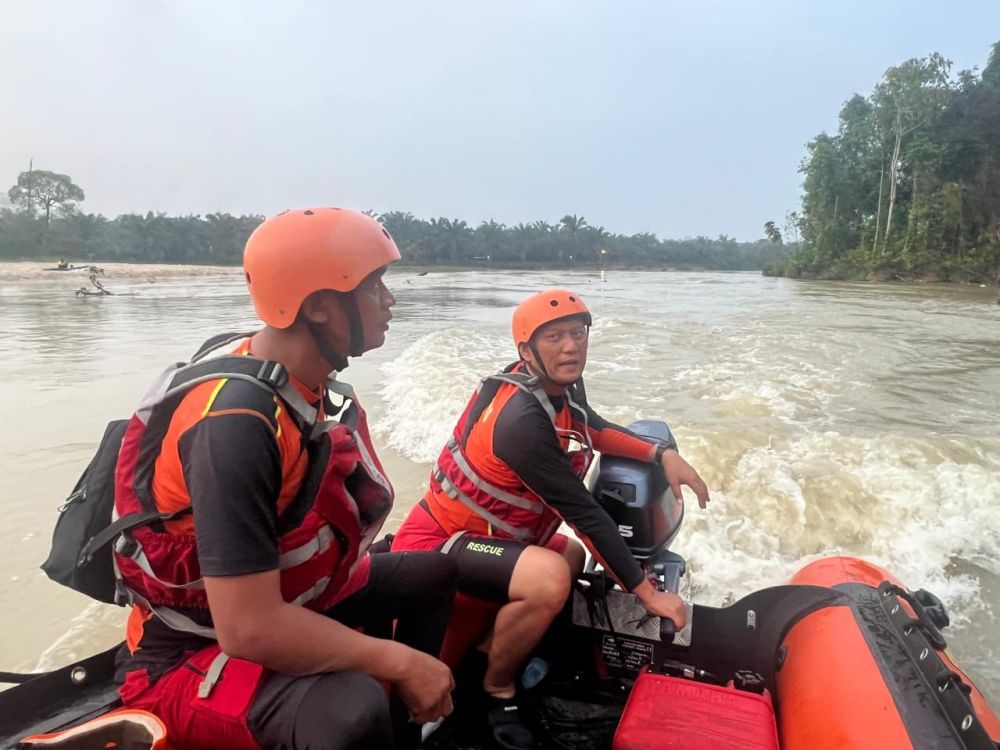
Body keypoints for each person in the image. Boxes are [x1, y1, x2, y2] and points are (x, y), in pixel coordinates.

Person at [112, 208, 457, 750]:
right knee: (350, 710)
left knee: (431, 575)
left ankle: (405, 730)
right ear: (319, 307)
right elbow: (248, 629)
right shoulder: (236, 426)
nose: (390, 302)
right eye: (374, 287)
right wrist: (400, 660)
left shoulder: (292, 379)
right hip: (185, 652)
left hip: (285, 603)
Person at [392, 288, 710, 750]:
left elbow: (593, 428)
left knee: (570, 554)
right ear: (526, 350)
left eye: (578, 334)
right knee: (548, 577)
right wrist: (646, 592)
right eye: (555, 337)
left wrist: (660, 454)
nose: (570, 346)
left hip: (490, 541)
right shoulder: (520, 420)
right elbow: (580, 510)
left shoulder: (553, 390)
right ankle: (497, 689)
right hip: (439, 543)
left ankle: (489, 651)